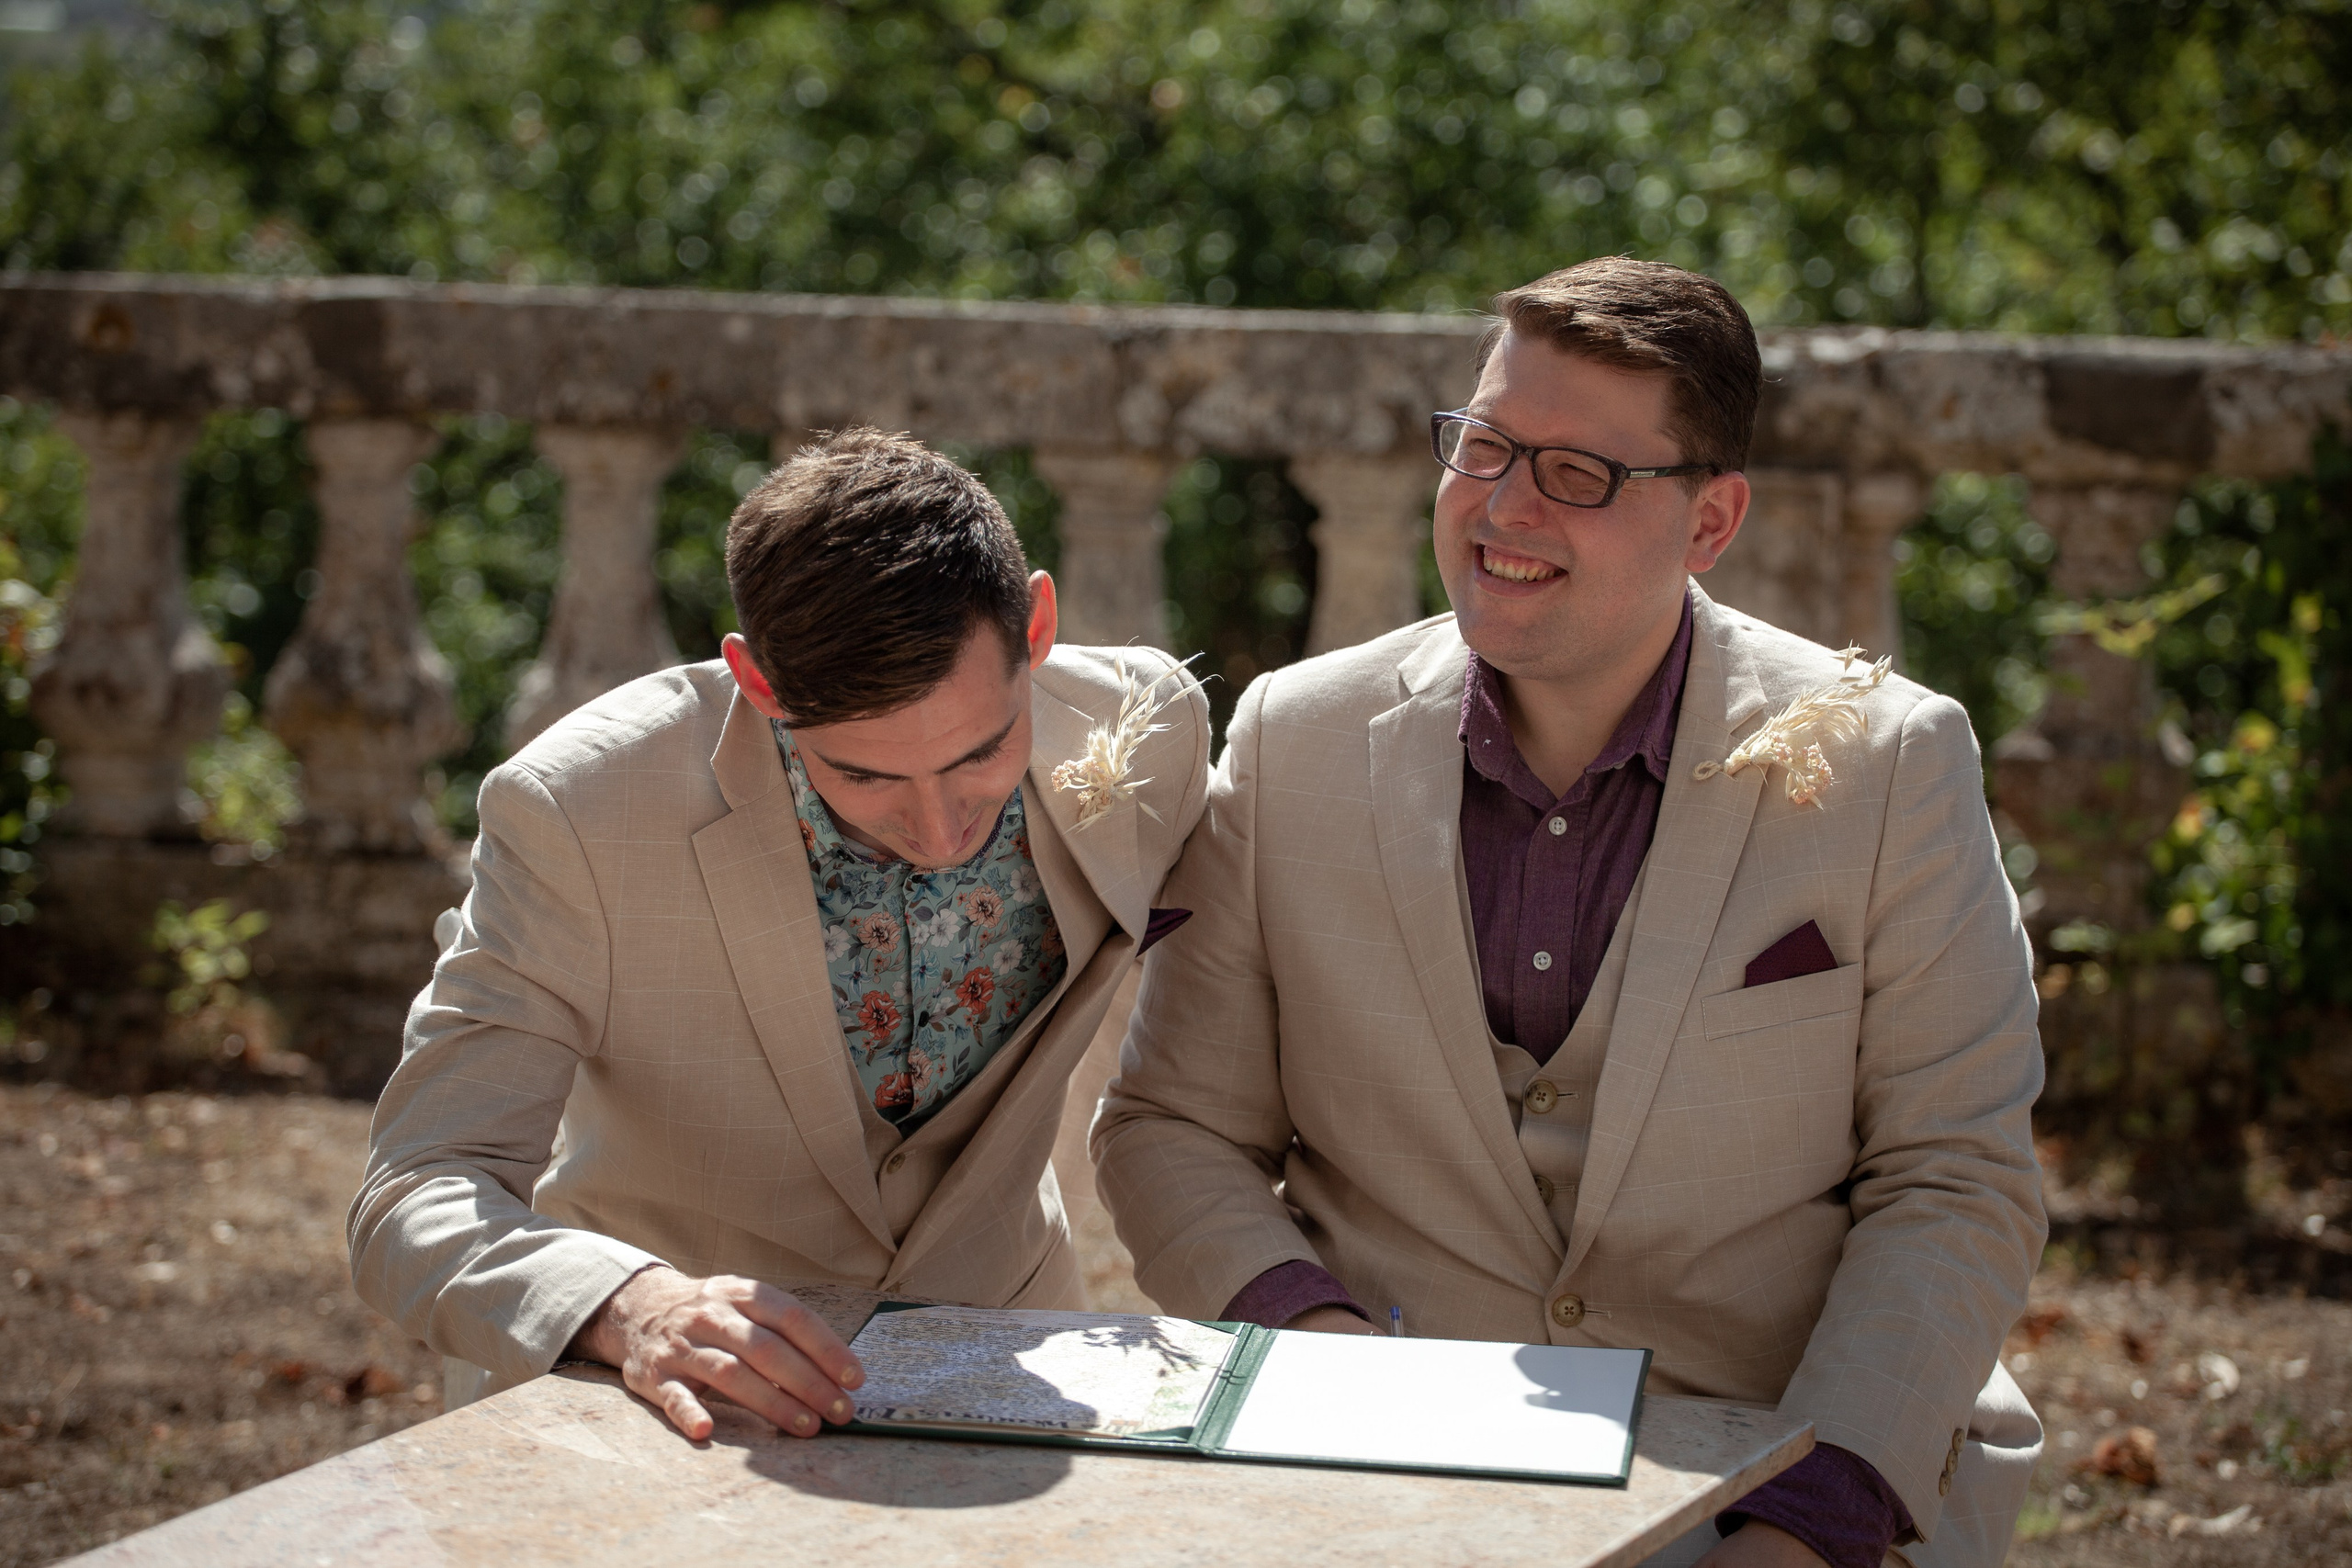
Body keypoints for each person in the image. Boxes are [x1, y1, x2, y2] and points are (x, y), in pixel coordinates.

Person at [1092, 258, 2045, 1568]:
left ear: (1710, 523)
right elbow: (1172, 1128)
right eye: (1484, 444)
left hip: (1779, 1461)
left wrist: (1809, 1518)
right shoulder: (1295, 737)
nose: (1503, 505)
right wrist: (1327, 1361)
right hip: (1381, 1470)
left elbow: (1958, 1177)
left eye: (1579, 473)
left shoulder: (1893, 761)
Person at [352, 426, 1208, 1442]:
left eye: (982, 753)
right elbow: (417, 1193)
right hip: (673, 1406)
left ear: (1038, 625)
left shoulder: (1152, 727)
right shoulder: (578, 809)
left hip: (1012, 1365)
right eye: (865, 777)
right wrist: (633, 1308)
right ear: (758, 685)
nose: (940, 830)